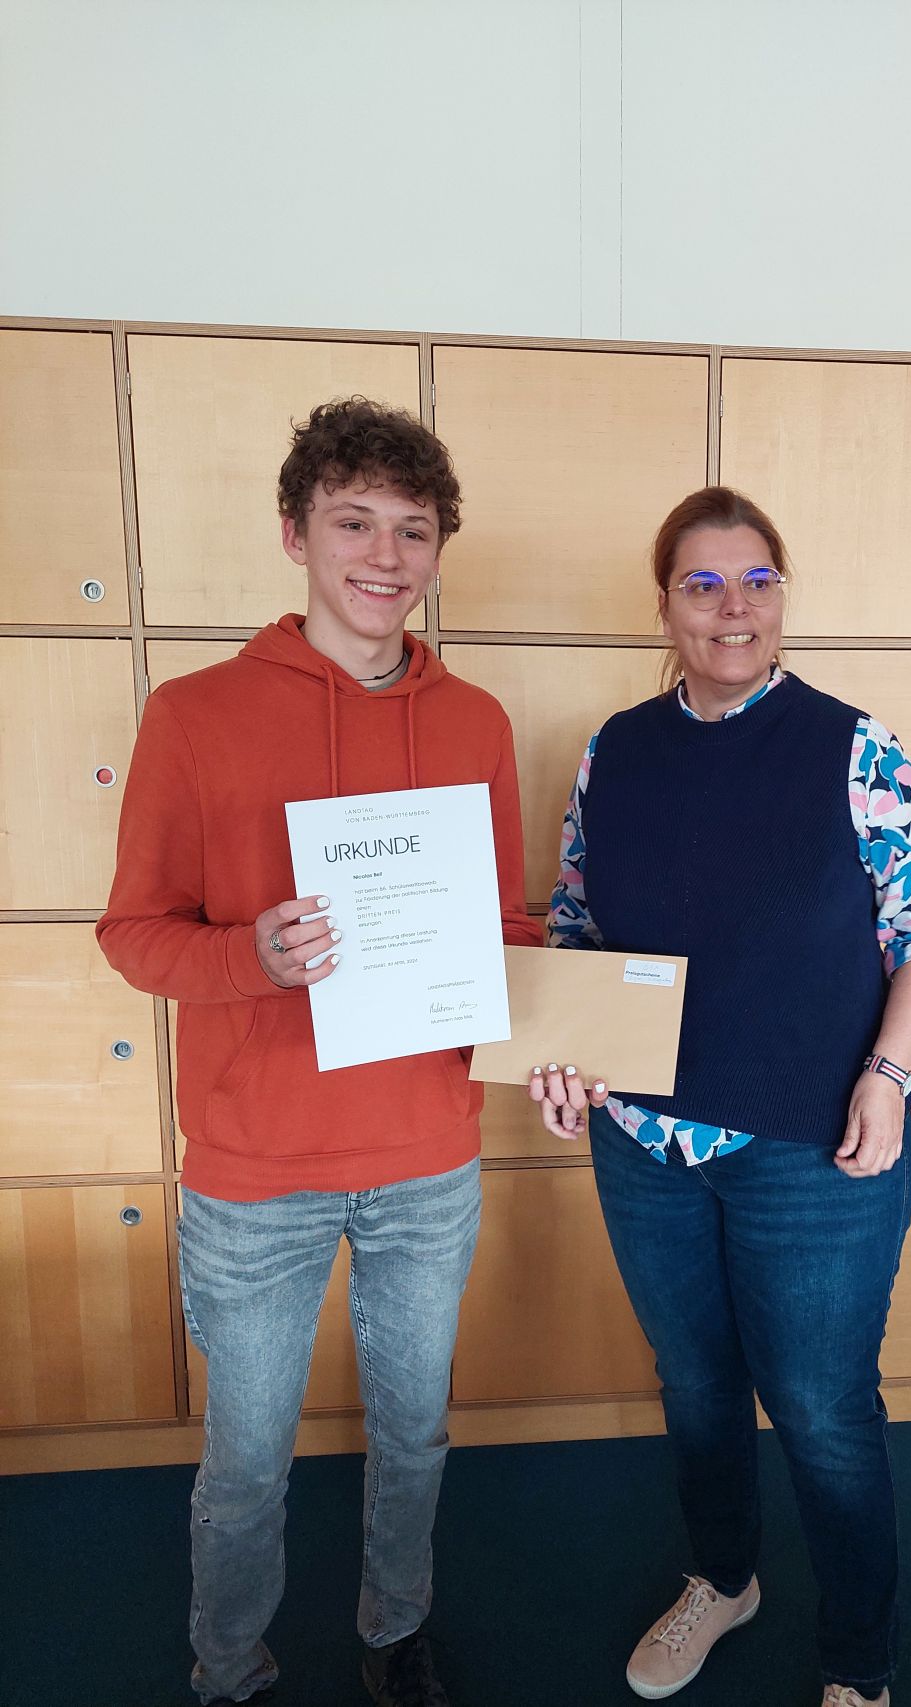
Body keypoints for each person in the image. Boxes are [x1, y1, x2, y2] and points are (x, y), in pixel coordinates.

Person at [98, 398, 540, 1707]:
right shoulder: (193, 714)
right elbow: (134, 933)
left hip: (426, 1158)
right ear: (296, 534)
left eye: (413, 529)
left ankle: (395, 1630)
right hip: (257, 1174)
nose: (385, 556)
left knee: (414, 1431)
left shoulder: (476, 720)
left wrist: (552, 1033)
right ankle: (230, 1663)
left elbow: (505, 930)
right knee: (245, 1461)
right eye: (354, 522)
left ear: (438, 547)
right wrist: (254, 955)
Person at [530, 486, 911, 1707]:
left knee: (821, 1410)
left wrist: (888, 1077)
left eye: (755, 581)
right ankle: (722, 1579)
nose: (731, 607)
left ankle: (858, 1662)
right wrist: (564, 1050)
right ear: (665, 607)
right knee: (694, 1386)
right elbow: (576, 923)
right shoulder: (615, 751)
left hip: (812, 1144)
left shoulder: (853, 748)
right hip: (644, 1139)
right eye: (702, 584)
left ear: (780, 597)